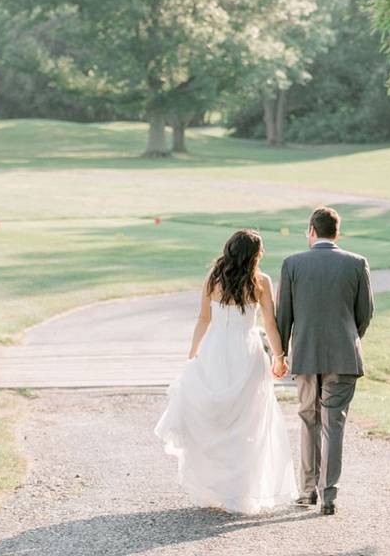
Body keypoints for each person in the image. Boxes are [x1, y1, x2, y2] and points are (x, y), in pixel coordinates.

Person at [154, 229, 297, 514]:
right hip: (247, 351)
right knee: (248, 422)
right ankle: (240, 491)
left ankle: (214, 486)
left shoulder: (213, 278)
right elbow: (270, 324)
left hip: (215, 350)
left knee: (213, 420)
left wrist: (193, 355)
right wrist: (279, 357)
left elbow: (203, 319)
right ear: (255, 255)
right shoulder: (261, 282)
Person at [277, 207, 374, 516]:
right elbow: (365, 314)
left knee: (308, 420)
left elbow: (284, 317)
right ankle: (329, 495)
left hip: (305, 354)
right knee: (334, 424)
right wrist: (348, 339)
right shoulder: (357, 264)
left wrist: (281, 353)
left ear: (311, 231)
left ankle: (307, 491)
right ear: (337, 232)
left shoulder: (292, 264)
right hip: (344, 355)